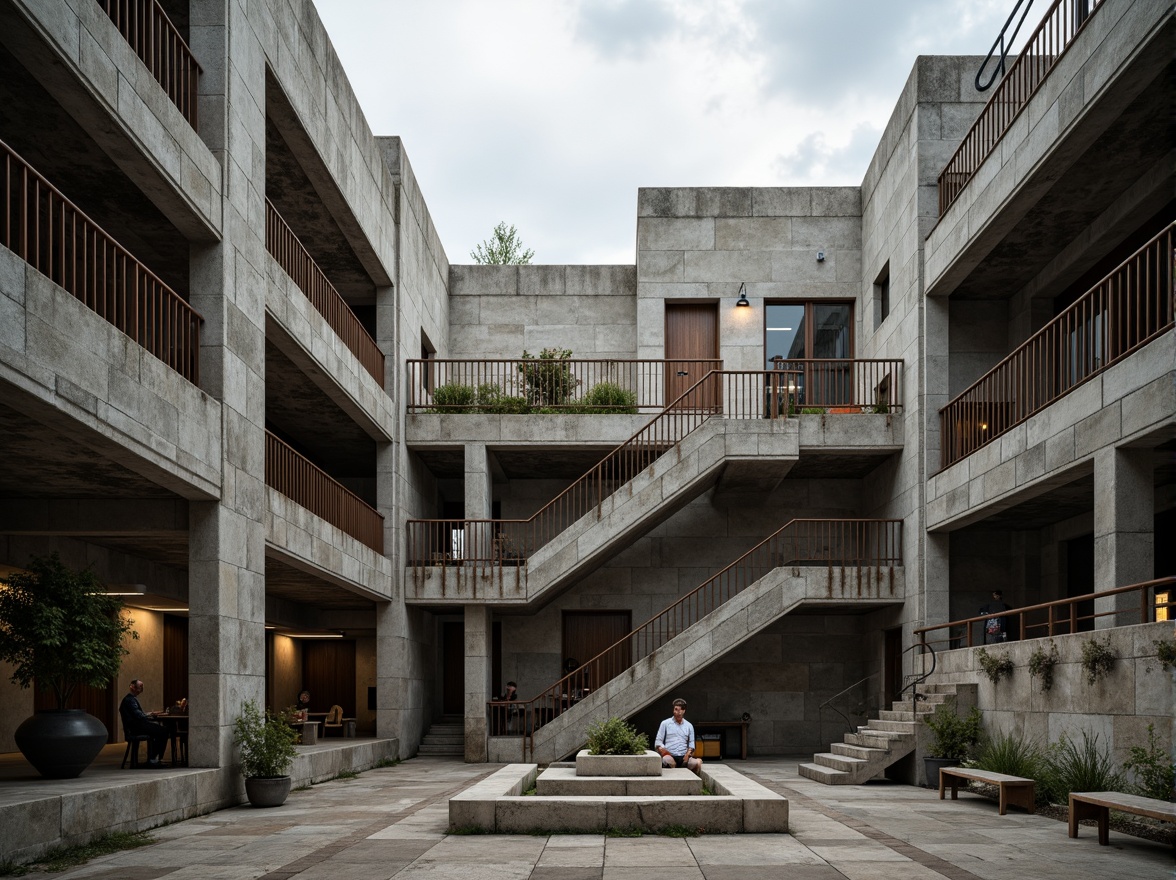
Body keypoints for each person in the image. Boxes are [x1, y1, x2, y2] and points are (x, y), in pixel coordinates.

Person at [119, 679, 168, 766]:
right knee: (163, 731)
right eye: (140, 687)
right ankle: (153, 758)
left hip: (136, 726)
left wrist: (149, 714)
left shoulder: (130, 699)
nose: (141, 689)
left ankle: (153, 757)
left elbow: (138, 714)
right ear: (132, 687)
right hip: (136, 728)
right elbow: (139, 715)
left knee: (159, 730)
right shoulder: (130, 700)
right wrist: (150, 715)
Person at [655, 698, 701, 774]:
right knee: (667, 761)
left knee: (695, 764)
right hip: (670, 754)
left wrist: (688, 754)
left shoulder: (689, 725)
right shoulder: (665, 723)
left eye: (680, 710)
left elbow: (691, 743)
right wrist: (663, 750)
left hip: (684, 755)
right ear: (673, 710)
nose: (678, 712)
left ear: (684, 711)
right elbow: (658, 741)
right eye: (676, 709)